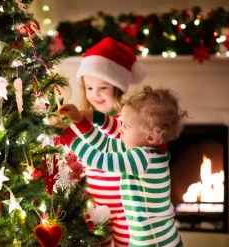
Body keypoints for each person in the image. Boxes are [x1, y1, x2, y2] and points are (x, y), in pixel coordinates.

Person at [58, 85, 187, 247]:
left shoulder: (143, 159)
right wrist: (82, 122)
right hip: (149, 239)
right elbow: (106, 145)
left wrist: (68, 135)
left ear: (152, 136)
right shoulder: (147, 151)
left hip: (154, 242)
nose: (120, 130)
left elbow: (98, 159)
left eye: (125, 126)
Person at [55, 37, 146, 247]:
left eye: (102, 88)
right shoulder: (80, 121)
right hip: (94, 203)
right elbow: (76, 158)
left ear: (117, 88)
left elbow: (115, 146)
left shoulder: (126, 121)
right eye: (89, 88)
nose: (95, 94)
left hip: (125, 205)